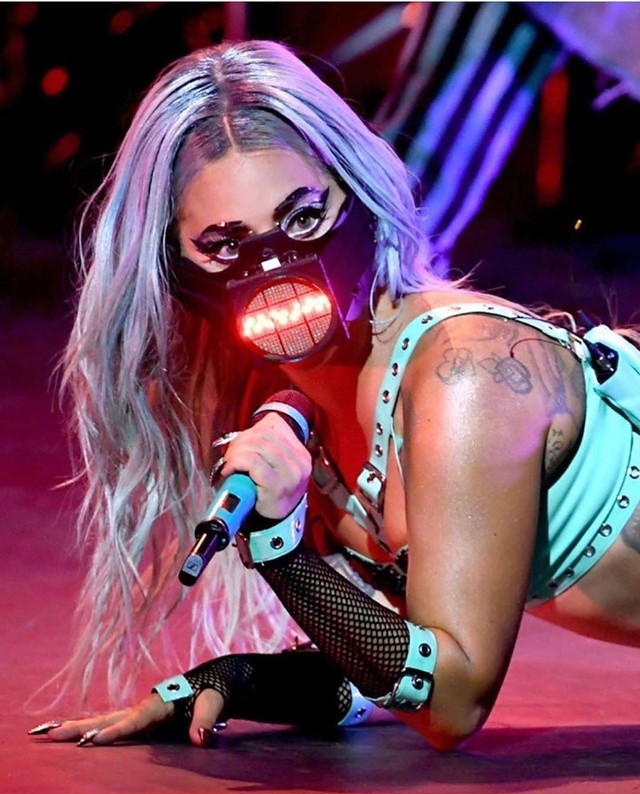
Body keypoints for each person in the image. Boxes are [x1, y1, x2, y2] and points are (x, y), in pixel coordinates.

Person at [28, 39, 640, 753]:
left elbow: (452, 698)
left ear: (358, 195)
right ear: (174, 267)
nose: (274, 264)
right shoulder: (293, 408)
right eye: (224, 245)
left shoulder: (464, 375)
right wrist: (243, 680)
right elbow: (400, 661)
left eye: (303, 217)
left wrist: (281, 550)